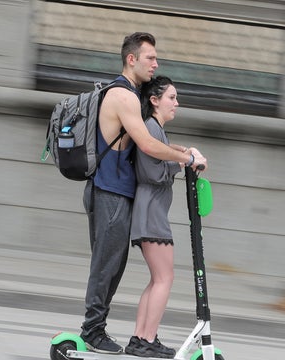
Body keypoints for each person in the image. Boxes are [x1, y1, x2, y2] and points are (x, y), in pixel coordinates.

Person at [80, 32, 207, 354]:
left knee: (115, 264)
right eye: (150, 57)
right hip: (108, 190)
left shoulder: (132, 96)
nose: (156, 63)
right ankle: (92, 331)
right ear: (131, 59)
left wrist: (181, 149)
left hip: (118, 192)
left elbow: (152, 142)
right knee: (107, 264)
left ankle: (103, 330)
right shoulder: (122, 96)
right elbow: (149, 145)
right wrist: (186, 158)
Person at [125, 76, 187, 358]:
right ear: (154, 100)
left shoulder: (156, 130)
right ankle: (147, 339)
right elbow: (153, 173)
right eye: (171, 98)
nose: (176, 103)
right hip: (152, 212)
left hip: (150, 210)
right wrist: (182, 163)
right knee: (165, 278)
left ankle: (141, 337)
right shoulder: (151, 128)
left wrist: (181, 154)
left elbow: (162, 161)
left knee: (156, 279)